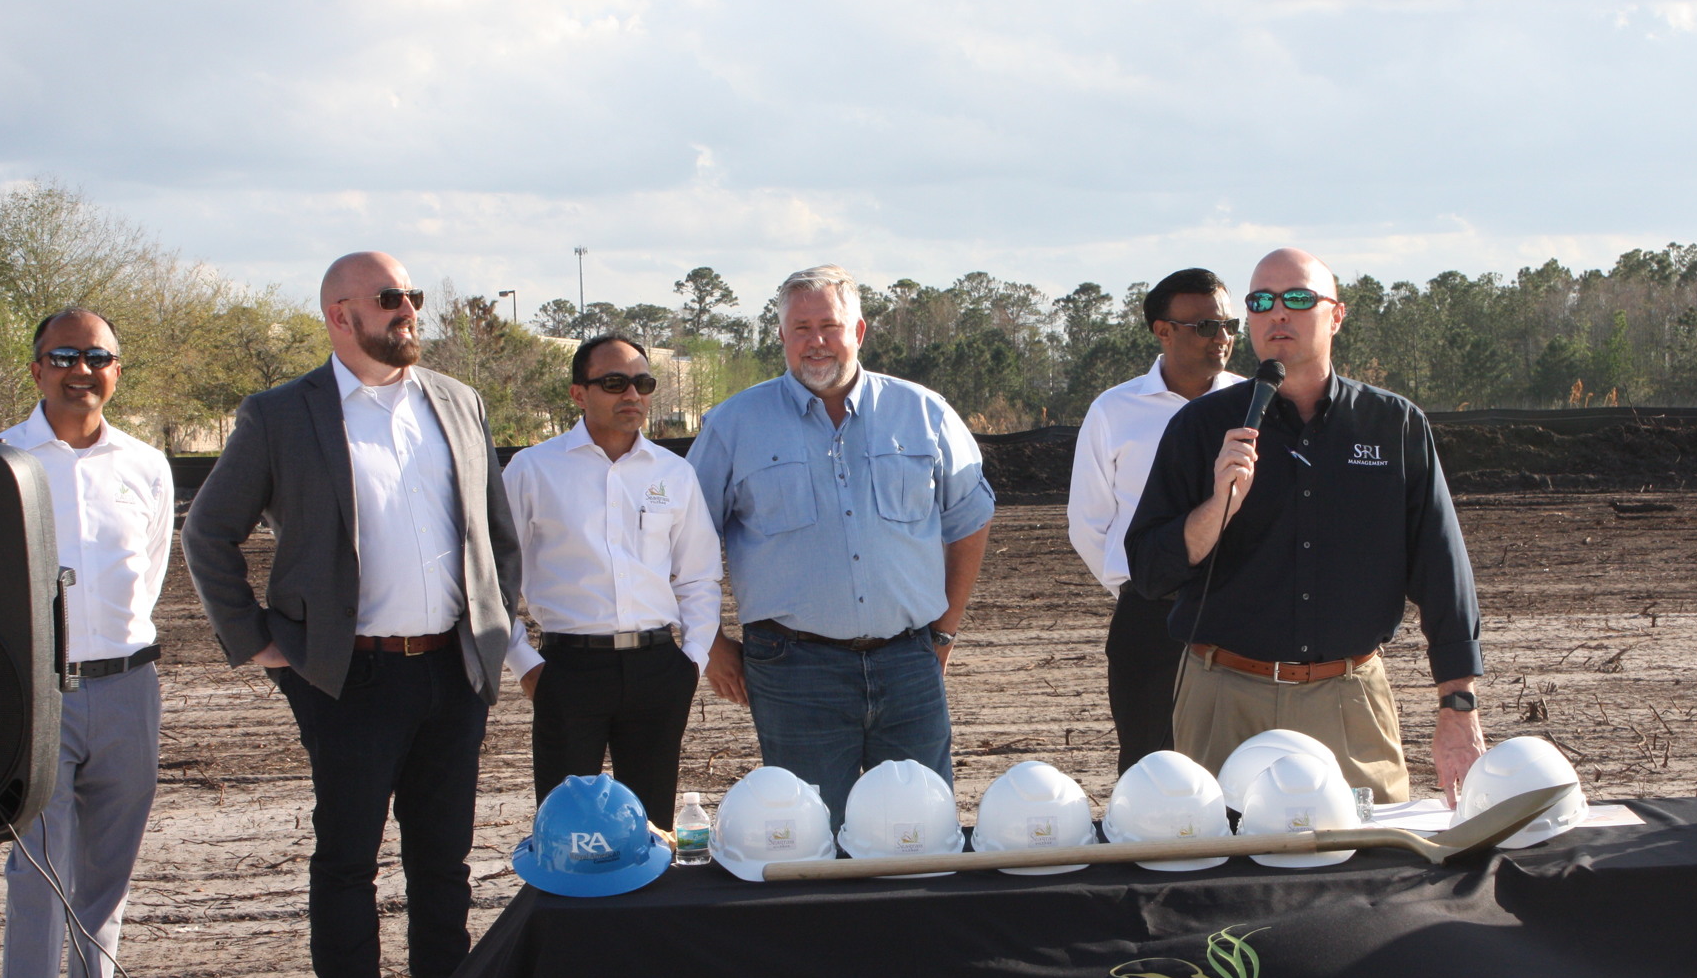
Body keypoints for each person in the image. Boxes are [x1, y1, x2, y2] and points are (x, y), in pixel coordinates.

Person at [1125, 246, 1490, 978]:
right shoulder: (1208, 425)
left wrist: (1458, 703)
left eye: (1295, 299)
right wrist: (1219, 500)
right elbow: (1154, 566)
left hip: (1348, 696)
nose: (1275, 316)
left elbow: (1443, 572)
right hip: (1223, 690)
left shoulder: (1394, 426)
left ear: (1336, 313)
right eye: (1259, 303)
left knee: (1378, 908)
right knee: (1228, 918)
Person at [182, 252, 519, 978]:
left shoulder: (458, 401)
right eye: (390, 299)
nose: (408, 312)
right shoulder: (281, 416)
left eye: (412, 298)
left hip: (453, 670)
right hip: (348, 679)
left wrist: (493, 628)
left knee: (443, 866)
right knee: (347, 865)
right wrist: (260, 642)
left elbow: (497, 536)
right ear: (341, 314)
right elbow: (207, 534)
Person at [687, 264, 994, 826]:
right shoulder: (733, 425)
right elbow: (683, 543)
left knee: (919, 831)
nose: (816, 340)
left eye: (829, 324)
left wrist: (944, 631)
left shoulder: (924, 413)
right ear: (780, 337)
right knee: (809, 835)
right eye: (800, 328)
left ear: (859, 331)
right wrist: (710, 646)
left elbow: (970, 518)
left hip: (909, 662)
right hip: (793, 669)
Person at [0, 310, 176, 978]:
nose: (81, 370)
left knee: (105, 886)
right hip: (35, 698)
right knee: (37, 886)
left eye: (97, 357)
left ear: (117, 372)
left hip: (129, 687)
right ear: (36, 368)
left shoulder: (148, 465)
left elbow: (155, 567)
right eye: (65, 356)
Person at [503, 334, 721, 823]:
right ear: (578, 393)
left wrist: (692, 660)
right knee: (565, 827)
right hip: (567, 672)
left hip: (659, 671)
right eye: (615, 383)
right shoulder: (533, 469)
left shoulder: (674, 473)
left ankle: (649, 901)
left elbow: (699, 577)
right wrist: (526, 665)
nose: (633, 396)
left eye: (643, 383)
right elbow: (494, 579)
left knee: (651, 827)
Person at [1067, 268, 1244, 771]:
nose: (1222, 337)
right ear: (1162, 331)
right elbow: (1088, 522)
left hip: (1240, 616)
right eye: (1205, 326)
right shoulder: (1114, 410)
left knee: (1242, 765)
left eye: (1228, 324)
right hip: (1150, 619)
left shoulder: (1257, 404)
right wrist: (1142, 584)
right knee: (1151, 766)